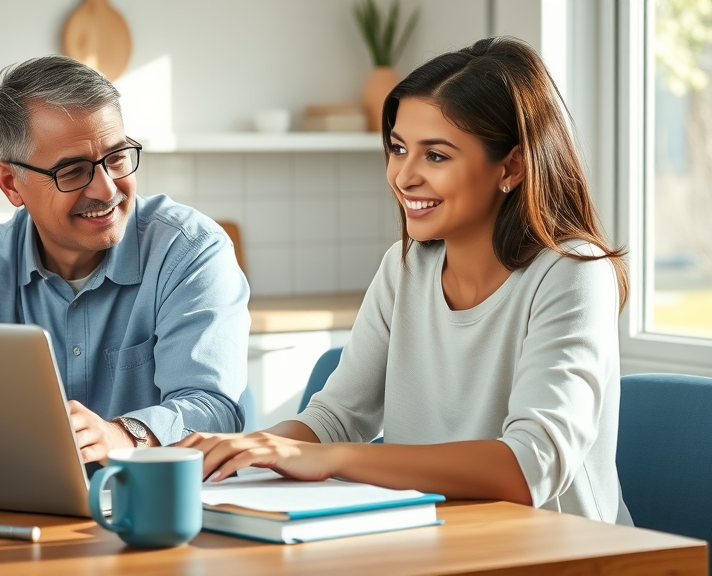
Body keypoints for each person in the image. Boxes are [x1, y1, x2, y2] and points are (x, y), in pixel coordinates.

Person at [180, 37, 633, 526]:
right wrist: (250, 449)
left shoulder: (573, 273)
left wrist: (333, 460)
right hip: (431, 540)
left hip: (560, 553)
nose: (404, 176)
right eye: (398, 149)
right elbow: (336, 419)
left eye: (436, 156)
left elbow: (530, 466)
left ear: (512, 166)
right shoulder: (404, 268)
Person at [0, 56, 250, 464]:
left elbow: (214, 410)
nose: (105, 188)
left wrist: (122, 434)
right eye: (73, 171)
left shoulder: (189, 250)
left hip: (148, 505)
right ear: (12, 183)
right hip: (21, 508)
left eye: (116, 158)